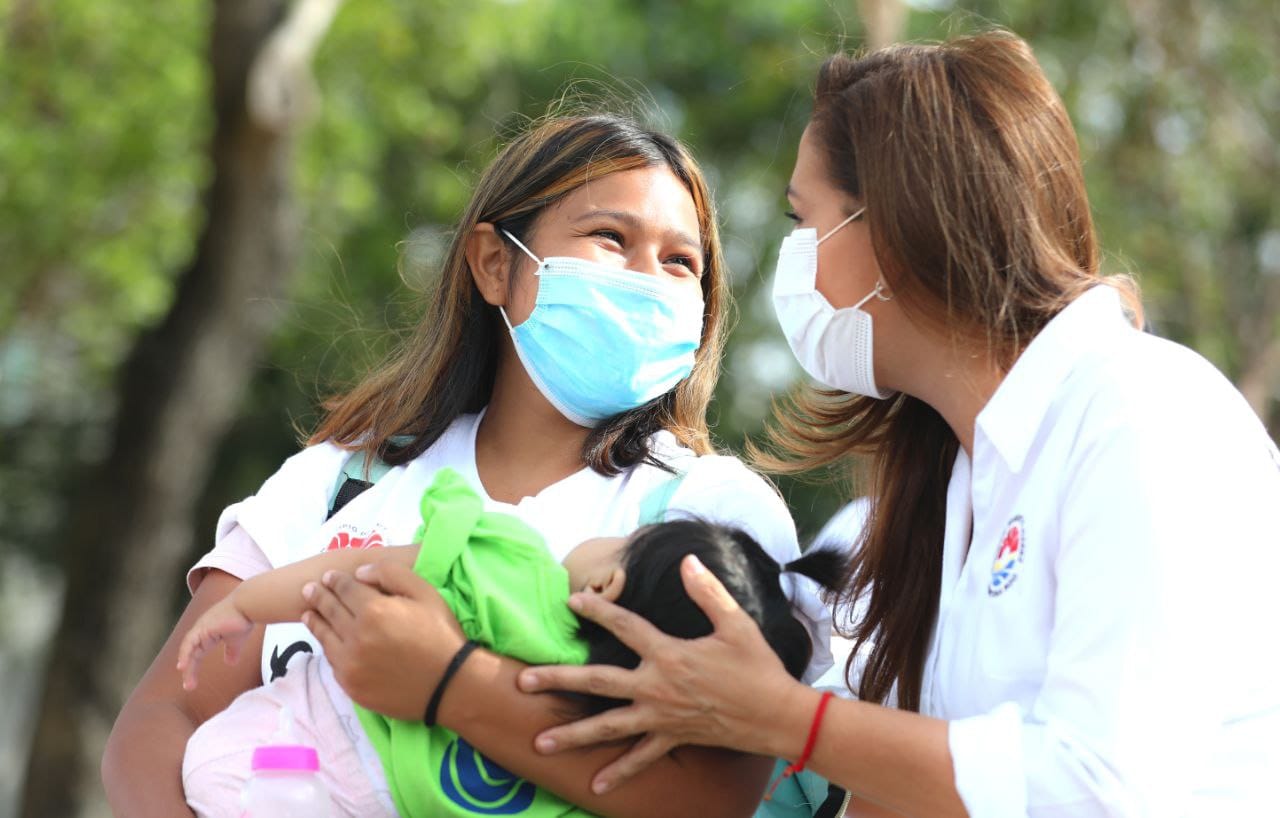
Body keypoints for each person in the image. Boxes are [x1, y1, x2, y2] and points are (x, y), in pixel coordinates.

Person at [499, 31, 1280, 817]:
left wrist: (778, 717)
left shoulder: (1142, 414)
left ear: (898, 231)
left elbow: (1098, 789)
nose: (793, 262)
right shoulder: (959, 472)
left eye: (805, 222)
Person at [102, 112, 832, 818]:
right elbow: (166, 714)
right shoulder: (343, 478)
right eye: (611, 238)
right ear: (494, 263)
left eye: (681, 262)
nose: (649, 279)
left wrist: (448, 681)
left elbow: (718, 795)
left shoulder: (713, 516)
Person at [177, 467, 838, 817]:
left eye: (626, 537)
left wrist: (246, 603)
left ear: (607, 586)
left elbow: (352, 575)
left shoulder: (512, 562)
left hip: (287, 753)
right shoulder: (630, 734)